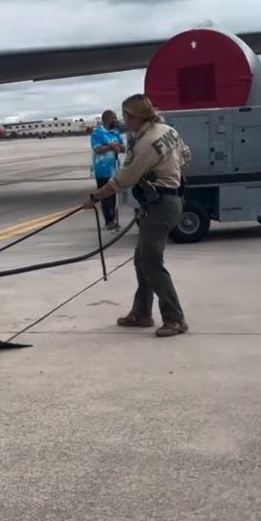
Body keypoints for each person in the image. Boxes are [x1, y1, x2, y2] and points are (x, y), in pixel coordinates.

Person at [84, 94, 191, 338]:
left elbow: (122, 180)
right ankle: (142, 312)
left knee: (151, 262)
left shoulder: (144, 144)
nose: (124, 121)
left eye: (126, 117)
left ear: (134, 117)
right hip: (166, 200)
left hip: (160, 205)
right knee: (142, 259)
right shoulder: (167, 130)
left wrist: (94, 198)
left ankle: (175, 318)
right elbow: (187, 157)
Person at [89, 109, 125, 230]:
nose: (115, 120)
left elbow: (124, 148)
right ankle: (108, 220)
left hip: (114, 168)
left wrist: (120, 147)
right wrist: (110, 146)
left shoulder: (115, 133)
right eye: (113, 118)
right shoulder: (97, 133)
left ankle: (114, 218)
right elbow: (97, 149)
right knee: (105, 196)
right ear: (107, 119)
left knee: (113, 194)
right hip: (102, 169)